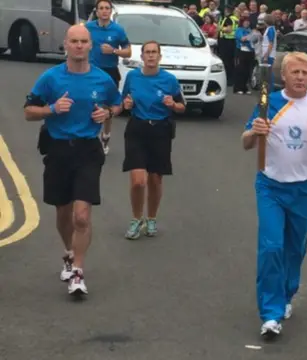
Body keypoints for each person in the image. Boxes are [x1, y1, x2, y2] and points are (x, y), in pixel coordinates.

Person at [241, 52, 307, 338]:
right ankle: (270, 313)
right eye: (294, 72)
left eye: (305, 73)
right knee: (272, 246)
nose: (300, 77)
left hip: (304, 187)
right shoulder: (269, 103)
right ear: (283, 76)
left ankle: (286, 292)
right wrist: (254, 132)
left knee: (295, 248)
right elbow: (246, 141)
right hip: (270, 184)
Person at [23, 25, 122, 295]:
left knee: (81, 216)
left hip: (88, 150)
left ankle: (77, 272)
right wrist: (51, 109)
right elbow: (28, 112)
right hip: (58, 150)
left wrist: (108, 114)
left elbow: (118, 103)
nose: (79, 46)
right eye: (74, 41)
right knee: (63, 212)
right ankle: (68, 252)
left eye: (84, 41)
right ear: (65, 45)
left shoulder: (103, 80)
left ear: (90, 45)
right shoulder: (50, 78)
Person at [120, 41, 186, 240]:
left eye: (154, 53)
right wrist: (127, 104)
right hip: (137, 128)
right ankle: (136, 218)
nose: (150, 56)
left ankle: (151, 217)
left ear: (159, 57)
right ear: (142, 57)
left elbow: (182, 106)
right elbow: (123, 102)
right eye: (147, 53)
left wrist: (173, 104)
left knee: (155, 179)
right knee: (139, 181)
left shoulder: (169, 80)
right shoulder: (132, 77)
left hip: (160, 130)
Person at [85, 0, 131, 155]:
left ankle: (106, 135)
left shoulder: (117, 30)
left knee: (107, 106)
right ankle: (87, 137)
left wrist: (114, 51)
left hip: (109, 71)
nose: (104, 11)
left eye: (107, 8)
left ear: (111, 11)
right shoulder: (88, 27)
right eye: (101, 8)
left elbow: (128, 51)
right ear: (96, 11)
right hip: (90, 71)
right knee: (87, 102)